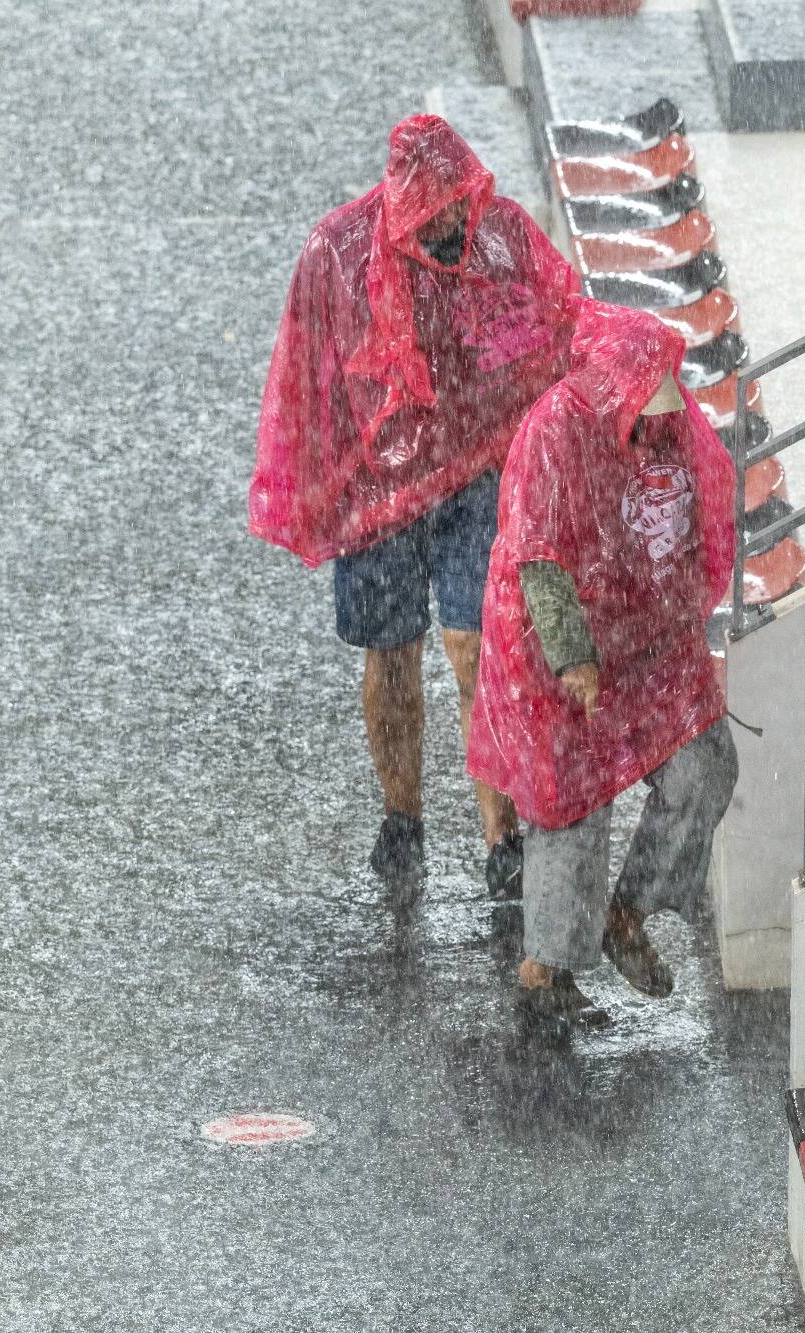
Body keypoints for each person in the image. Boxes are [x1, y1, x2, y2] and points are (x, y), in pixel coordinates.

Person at [250, 115, 581, 920]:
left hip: (476, 470)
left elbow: (559, 325)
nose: (450, 229)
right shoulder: (336, 252)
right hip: (376, 490)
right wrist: (313, 483)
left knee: (479, 646)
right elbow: (304, 369)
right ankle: (403, 817)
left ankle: (500, 838)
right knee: (390, 658)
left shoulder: (499, 236)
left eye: (457, 212)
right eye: (434, 219)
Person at [467, 302, 739, 1042]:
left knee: (705, 764)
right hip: (561, 645)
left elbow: (696, 511)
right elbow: (539, 555)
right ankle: (546, 971)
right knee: (568, 804)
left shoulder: (666, 424)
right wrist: (574, 656)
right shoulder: (554, 432)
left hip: (648, 637)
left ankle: (630, 911)